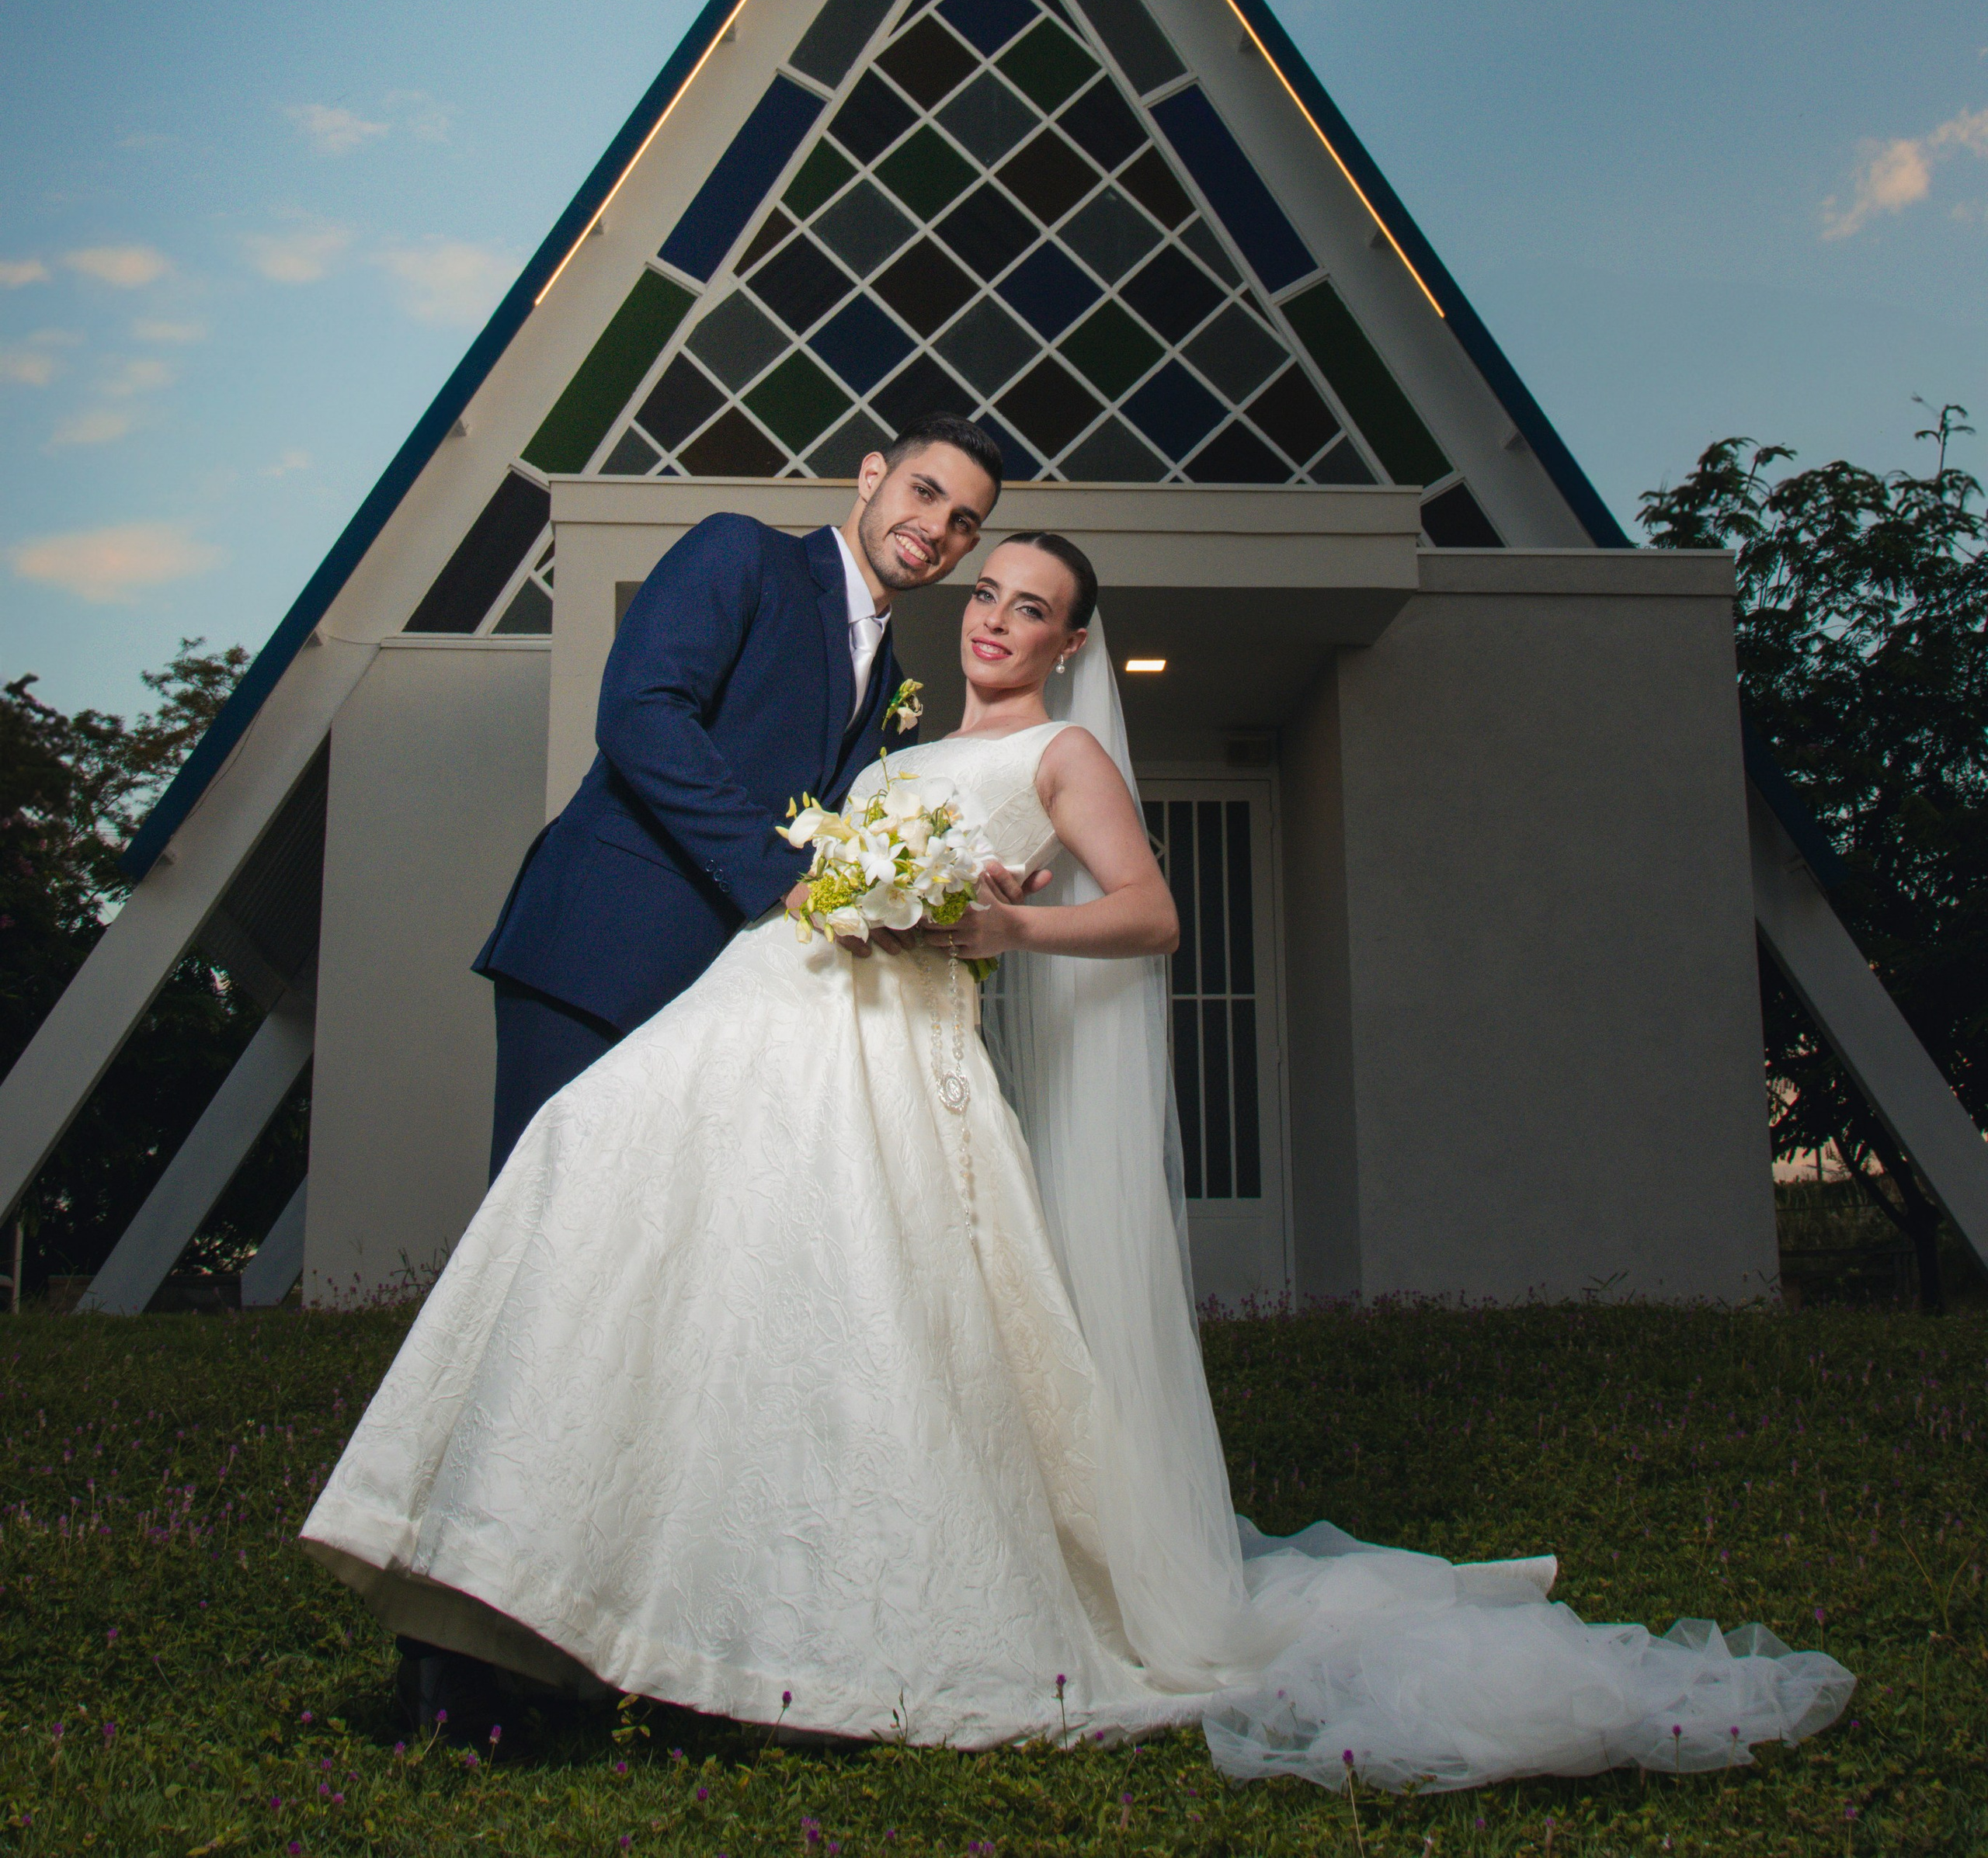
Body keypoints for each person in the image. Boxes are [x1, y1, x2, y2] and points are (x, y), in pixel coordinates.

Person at [304, 533, 1853, 1796]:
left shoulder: (1055, 759)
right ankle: (557, 1598)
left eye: (1028, 609)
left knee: (872, 1328)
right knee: (616, 1187)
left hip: (892, 1057)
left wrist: (1006, 928)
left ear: (1063, 647)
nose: (991, 619)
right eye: (984, 592)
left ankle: (797, 1636)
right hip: (768, 1013)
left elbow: (1152, 916)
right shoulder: (892, 737)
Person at [471, 412, 1002, 1175]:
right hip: (599, 951)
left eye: (961, 522)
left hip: (728, 1004)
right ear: (871, 476)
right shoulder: (743, 553)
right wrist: (781, 876)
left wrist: (955, 887)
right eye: (923, 492)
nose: (934, 528)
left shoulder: (895, 690)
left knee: (641, 1260)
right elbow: (640, 710)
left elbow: (862, 845)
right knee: (537, 1232)